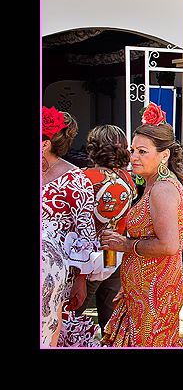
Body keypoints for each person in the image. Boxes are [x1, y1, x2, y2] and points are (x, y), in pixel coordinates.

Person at [100, 102, 183, 347]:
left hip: (155, 290)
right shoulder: (153, 184)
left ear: (164, 155)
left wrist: (126, 245)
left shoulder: (162, 189)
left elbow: (170, 245)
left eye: (142, 151)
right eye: (133, 150)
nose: (133, 157)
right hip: (142, 287)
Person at [41, 106, 101, 347]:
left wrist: (82, 279)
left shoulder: (74, 178)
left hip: (56, 277)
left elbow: (86, 235)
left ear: (45, 144)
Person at [75, 125, 137, 334]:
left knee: (73, 313)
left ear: (93, 148)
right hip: (113, 254)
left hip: (86, 258)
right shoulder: (129, 179)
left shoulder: (82, 178)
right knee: (110, 317)